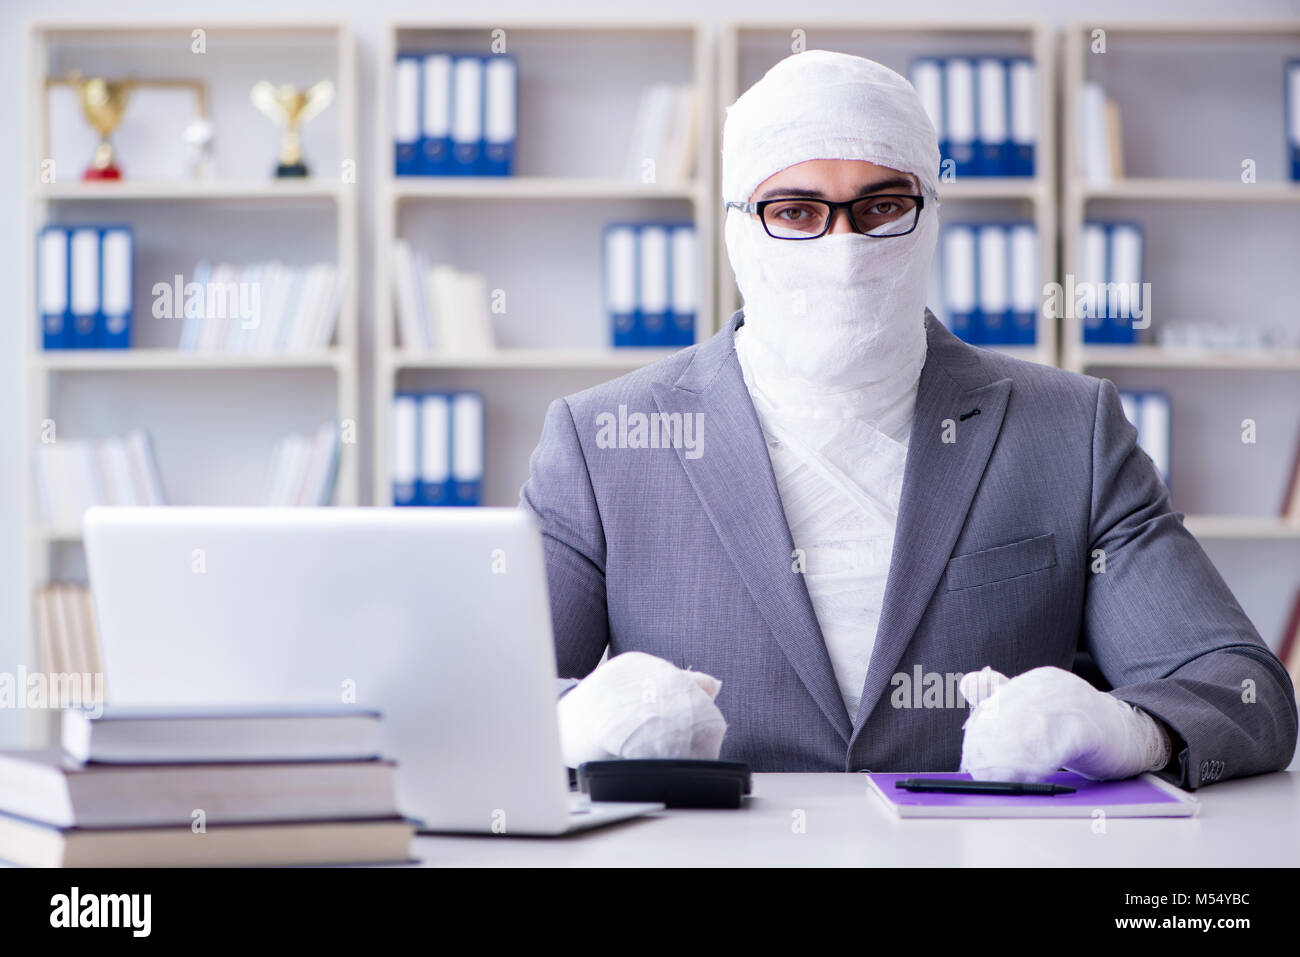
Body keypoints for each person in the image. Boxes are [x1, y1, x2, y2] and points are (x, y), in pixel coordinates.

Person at [519, 50, 1297, 788]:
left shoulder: (1069, 430)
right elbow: (473, 698)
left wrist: (1128, 727)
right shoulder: (604, 443)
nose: (845, 247)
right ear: (736, 227)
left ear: (929, 212)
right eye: (795, 211)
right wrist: (572, 722)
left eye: (882, 205)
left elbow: (1242, 688)